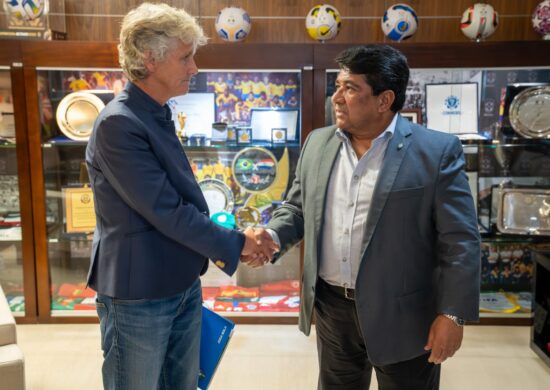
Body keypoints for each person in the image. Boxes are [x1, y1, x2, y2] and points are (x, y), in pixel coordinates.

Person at [247, 45, 481, 389]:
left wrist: (452, 314)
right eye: (337, 86)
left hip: (403, 313)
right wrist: (274, 235)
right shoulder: (318, 143)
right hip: (332, 308)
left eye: (350, 88)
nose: (336, 98)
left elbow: (460, 240)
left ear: (384, 100)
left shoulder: (436, 151)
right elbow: (297, 208)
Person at [85, 4, 276, 390]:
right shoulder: (119, 123)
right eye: (185, 57)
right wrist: (239, 243)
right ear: (148, 59)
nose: (195, 68)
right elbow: (166, 211)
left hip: (181, 281)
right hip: (138, 294)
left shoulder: (154, 112)